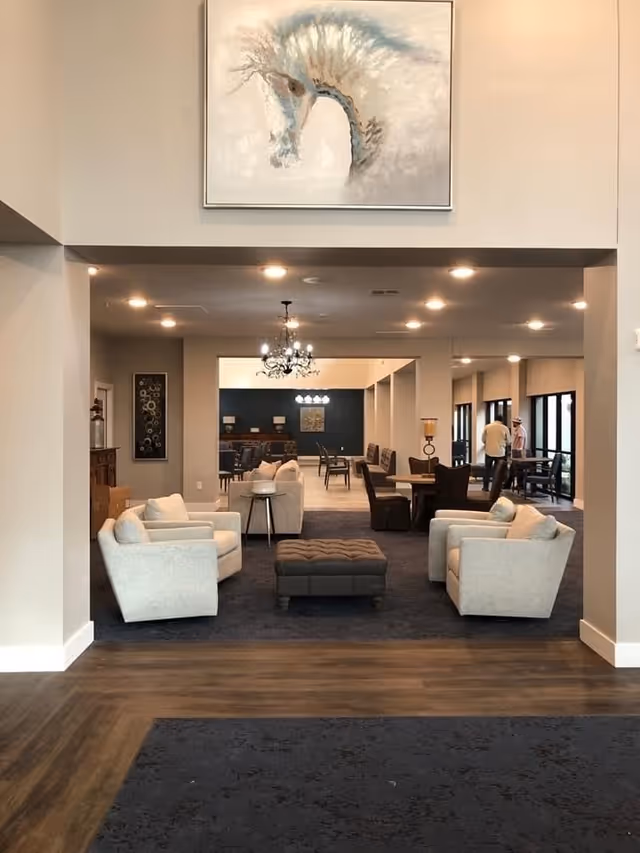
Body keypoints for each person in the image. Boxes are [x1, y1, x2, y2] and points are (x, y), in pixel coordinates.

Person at [481, 414, 511, 491]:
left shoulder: (487, 427)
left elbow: (483, 439)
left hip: (489, 451)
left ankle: (485, 487)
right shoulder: (505, 428)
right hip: (500, 453)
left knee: (487, 470)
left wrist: (488, 443)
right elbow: (509, 442)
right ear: (502, 420)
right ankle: (496, 488)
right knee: (498, 471)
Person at [507, 416, 528, 490]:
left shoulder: (520, 430)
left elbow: (521, 441)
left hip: (518, 453)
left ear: (517, 423)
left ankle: (520, 485)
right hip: (515, 452)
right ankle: (508, 484)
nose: (513, 423)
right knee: (512, 469)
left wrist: (519, 451)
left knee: (518, 470)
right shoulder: (517, 429)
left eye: (513, 422)